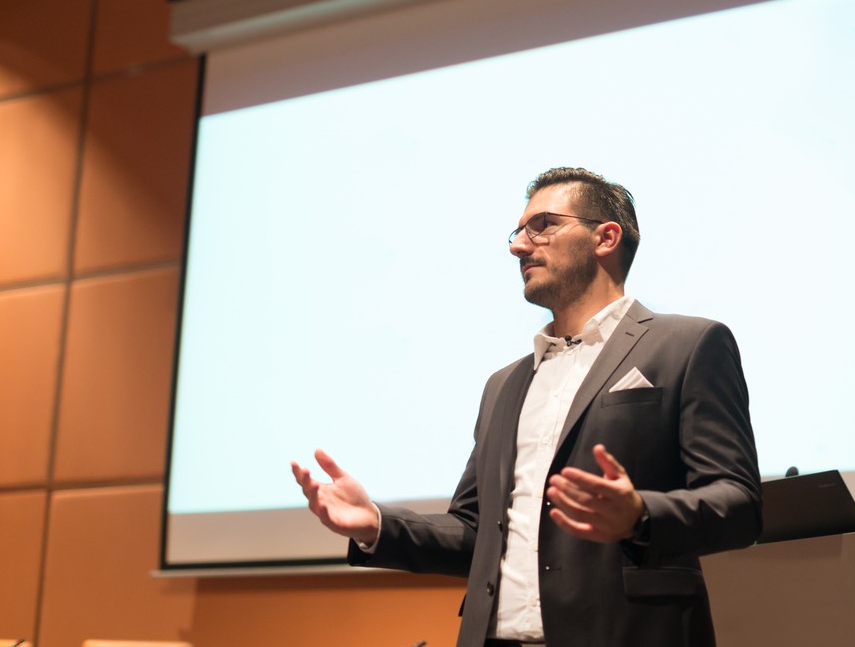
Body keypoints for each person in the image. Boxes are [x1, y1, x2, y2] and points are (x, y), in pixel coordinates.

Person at [292, 167, 761, 647]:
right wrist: (378, 524)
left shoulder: (688, 344)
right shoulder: (504, 384)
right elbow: (477, 532)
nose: (519, 247)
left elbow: (738, 504)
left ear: (606, 237)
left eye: (542, 226)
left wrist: (641, 514)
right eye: (518, 233)